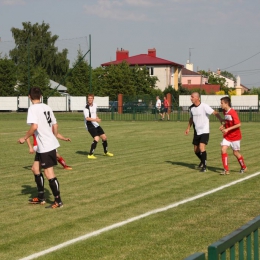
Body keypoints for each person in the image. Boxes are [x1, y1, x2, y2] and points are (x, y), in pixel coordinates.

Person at [18, 87, 63, 209]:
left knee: (49, 173)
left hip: (46, 145)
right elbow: (55, 124)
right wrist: (53, 135)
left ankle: (58, 201)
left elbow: (34, 126)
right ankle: (41, 197)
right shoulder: (47, 107)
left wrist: (24, 137)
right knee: (35, 169)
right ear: (41, 96)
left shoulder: (33, 108)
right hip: (45, 144)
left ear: (29, 97)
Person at [185, 92, 223, 172]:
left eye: (192, 97)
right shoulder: (191, 108)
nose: (190, 98)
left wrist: (220, 119)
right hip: (197, 131)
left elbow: (214, 112)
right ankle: (203, 161)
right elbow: (191, 119)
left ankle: (204, 167)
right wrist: (188, 128)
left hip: (204, 131)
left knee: (202, 147)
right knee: (196, 151)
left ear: (197, 98)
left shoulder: (204, 106)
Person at [219, 96, 247, 175]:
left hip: (235, 136)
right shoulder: (225, 112)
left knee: (235, 153)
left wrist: (228, 129)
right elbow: (228, 122)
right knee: (223, 149)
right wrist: (224, 126)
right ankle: (226, 170)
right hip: (227, 136)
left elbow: (238, 124)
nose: (220, 105)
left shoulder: (233, 112)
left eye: (222, 103)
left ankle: (244, 167)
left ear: (226, 103)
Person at [84, 93, 113, 159]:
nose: (90, 99)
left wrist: (97, 117)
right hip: (89, 124)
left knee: (104, 137)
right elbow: (87, 118)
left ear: (93, 99)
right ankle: (90, 154)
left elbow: (94, 113)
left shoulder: (95, 105)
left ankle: (106, 152)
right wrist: (96, 119)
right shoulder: (86, 108)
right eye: (89, 98)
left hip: (95, 124)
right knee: (97, 138)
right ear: (87, 99)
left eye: (91, 98)